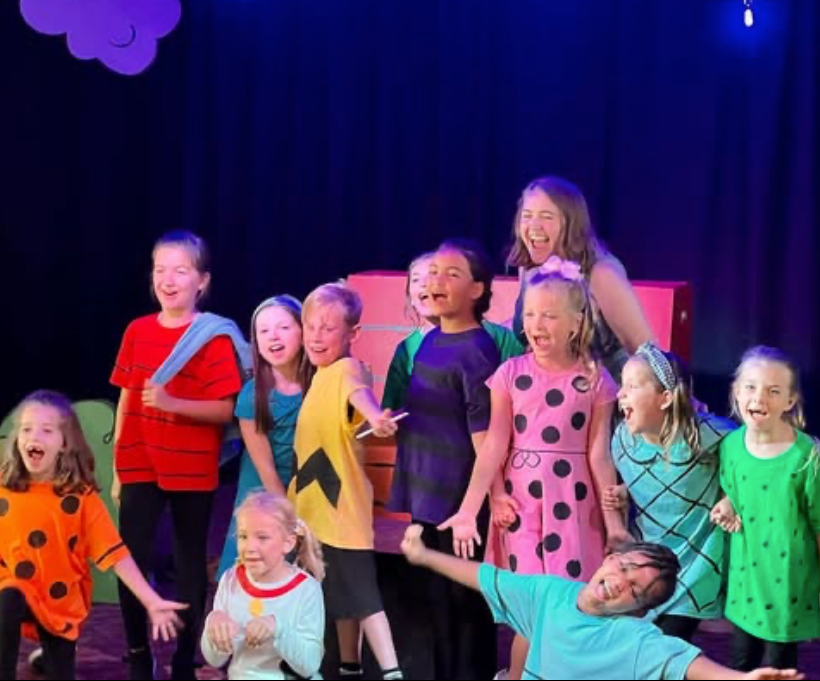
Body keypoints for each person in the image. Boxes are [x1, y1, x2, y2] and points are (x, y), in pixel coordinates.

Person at [440, 257, 627, 679]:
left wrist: (614, 524)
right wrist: (472, 508)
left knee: (568, 606)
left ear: (576, 323)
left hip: (574, 509)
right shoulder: (510, 374)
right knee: (533, 609)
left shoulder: (595, 380)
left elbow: (599, 455)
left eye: (549, 315)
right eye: (529, 314)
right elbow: (494, 446)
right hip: (524, 508)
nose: (535, 324)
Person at [400, 524, 803, 681]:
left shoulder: (635, 639)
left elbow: (687, 663)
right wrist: (424, 556)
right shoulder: (547, 594)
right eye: (624, 568)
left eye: (635, 591)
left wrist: (741, 679)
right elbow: (486, 577)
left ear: (639, 611)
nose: (619, 583)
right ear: (609, 558)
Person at [111, 230, 244, 680]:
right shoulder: (137, 331)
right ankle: (137, 654)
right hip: (139, 460)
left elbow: (225, 409)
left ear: (201, 281)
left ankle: (184, 659)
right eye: (160, 270)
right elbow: (127, 397)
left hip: (191, 464)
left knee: (189, 562)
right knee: (131, 559)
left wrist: (172, 403)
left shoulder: (213, 336)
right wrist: (118, 468)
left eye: (180, 271)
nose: (168, 280)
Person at [0, 390, 186, 681]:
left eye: (46, 430)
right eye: (26, 429)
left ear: (64, 443)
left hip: (61, 601)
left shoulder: (81, 500)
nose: (33, 436)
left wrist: (150, 599)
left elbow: (115, 553)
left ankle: (49, 657)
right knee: (9, 595)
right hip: (15, 588)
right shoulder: (4, 491)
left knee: (60, 669)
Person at [389, 239, 501, 680]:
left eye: (451, 274)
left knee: (463, 603)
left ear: (477, 289)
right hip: (427, 492)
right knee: (435, 600)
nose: (436, 281)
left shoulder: (476, 350)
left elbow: (485, 437)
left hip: (458, 502)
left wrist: (484, 503)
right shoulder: (432, 339)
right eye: (433, 272)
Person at [289, 281, 403, 680]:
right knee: (340, 600)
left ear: (353, 333)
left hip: (341, 514)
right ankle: (348, 667)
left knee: (363, 598)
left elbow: (359, 394)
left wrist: (374, 416)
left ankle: (391, 671)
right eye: (310, 327)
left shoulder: (346, 369)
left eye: (328, 328)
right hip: (313, 513)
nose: (316, 336)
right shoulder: (319, 376)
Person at [602, 343, 736, 642]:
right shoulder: (623, 441)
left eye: (632, 386)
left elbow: (751, 455)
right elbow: (653, 481)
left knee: (666, 645)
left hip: (697, 564)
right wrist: (627, 491)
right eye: (622, 385)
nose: (620, 394)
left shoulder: (705, 435)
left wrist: (731, 497)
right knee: (636, 644)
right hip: (650, 562)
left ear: (665, 398)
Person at [710, 346, 820, 671]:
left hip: (787, 585)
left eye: (773, 391)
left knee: (779, 665)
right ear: (736, 391)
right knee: (741, 662)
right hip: (746, 583)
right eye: (751, 387)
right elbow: (733, 490)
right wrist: (727, 505)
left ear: (789, 400)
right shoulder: (731, 446)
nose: (759, 397)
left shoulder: (807, 457)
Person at [507, 176, 654, 381]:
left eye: (547, 216)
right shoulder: (529, 269)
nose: (534, 226)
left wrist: (676, 395)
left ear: (571, 223)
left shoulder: (602, 274)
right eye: (527, 216)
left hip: (608, 392)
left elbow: (647, 352)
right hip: (548, 390)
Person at [218, 295, 313, 578]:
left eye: (283, 327)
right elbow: (266, 469)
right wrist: (289, 516)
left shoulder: (319, 383)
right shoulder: (252, 394)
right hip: (264, 489)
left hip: (308, 485)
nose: (274, 336)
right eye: (264, 331)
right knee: (257, 566)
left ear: (303, 331)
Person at [382, 251, 523, 412]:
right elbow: (391, 410)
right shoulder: (406, 350)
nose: (425, 284)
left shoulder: (500, 338)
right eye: (415, 279)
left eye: (434, 275)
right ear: (410, 298)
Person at [203, 492, 324, 680]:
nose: (250, 547)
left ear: (288, 543)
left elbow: (309, 666)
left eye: (262, 538)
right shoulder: (230, 580)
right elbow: (215, 660)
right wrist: (213, 625)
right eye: (243, 536)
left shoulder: (306, 589)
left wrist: (278, 629)